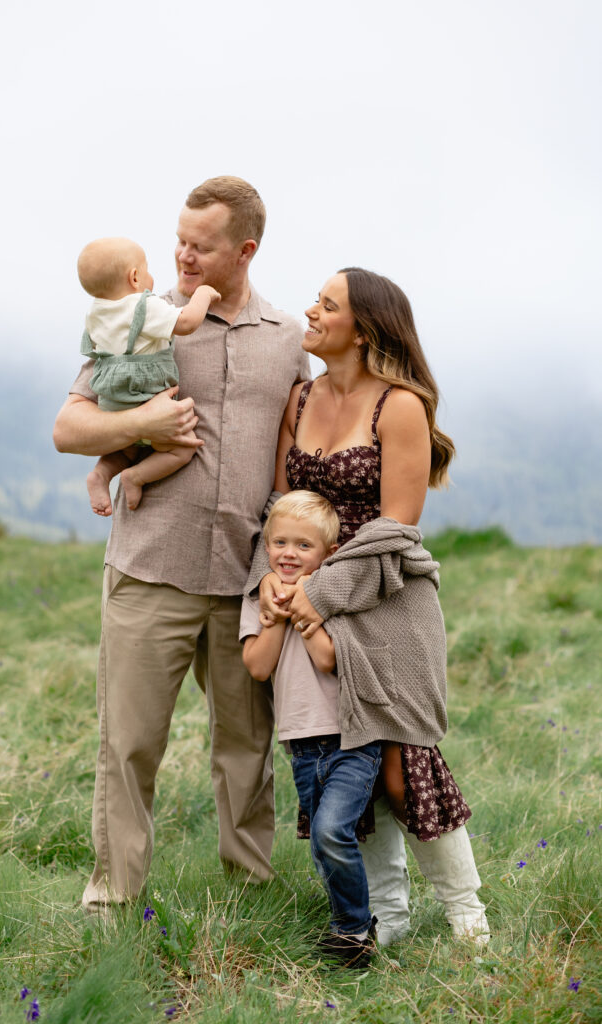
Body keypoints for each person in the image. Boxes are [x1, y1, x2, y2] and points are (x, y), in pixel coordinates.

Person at [53, 176, 309, 911]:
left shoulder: (288, 339)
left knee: (245, 751)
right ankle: (111, 905)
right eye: (179, 240)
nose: (183, 256)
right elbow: (69, 428)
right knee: (128, 747)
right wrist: (141, 429)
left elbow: (295, 453)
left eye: (201, 246)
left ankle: (250, 901)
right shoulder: (140, 318)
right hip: (149, 570)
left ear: (245, 250)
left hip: (244, 579)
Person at [255, 268, 489, 944]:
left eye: (326, 305)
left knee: (402, 765)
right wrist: (270, 581)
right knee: (344, 755)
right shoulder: (297, 401)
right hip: (310, 601)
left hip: (386, 601)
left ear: (362, 329)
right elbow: (278, 510)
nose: (311, 310)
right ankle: (387, 916)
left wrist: (312, 596)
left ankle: (467, 920)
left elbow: (394, 530)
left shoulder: (400, 406)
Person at [241, 490, 382, 968]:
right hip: (301, 744)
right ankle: (355, 929)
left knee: (329, 832)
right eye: (280, 542)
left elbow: (326, 658)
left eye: (304, 546)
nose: (289, 554)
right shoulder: (259, 600)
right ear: (266, 546)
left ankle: (354, 928)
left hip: (352, 741)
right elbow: (258, 666)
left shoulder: (330, 597)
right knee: (324, 845)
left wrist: (300, 609)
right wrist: (276, 617)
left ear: (328, 554)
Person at [77, 236, 222, 515]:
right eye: (146, 270)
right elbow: (188, 322)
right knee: (182, 449)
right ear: (134, 278)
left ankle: (101, 474)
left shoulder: (96, 314)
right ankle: (136, 476)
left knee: (126, 449)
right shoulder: (144, 306)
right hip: (145, 397)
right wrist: (203, 294)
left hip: (111, 401)